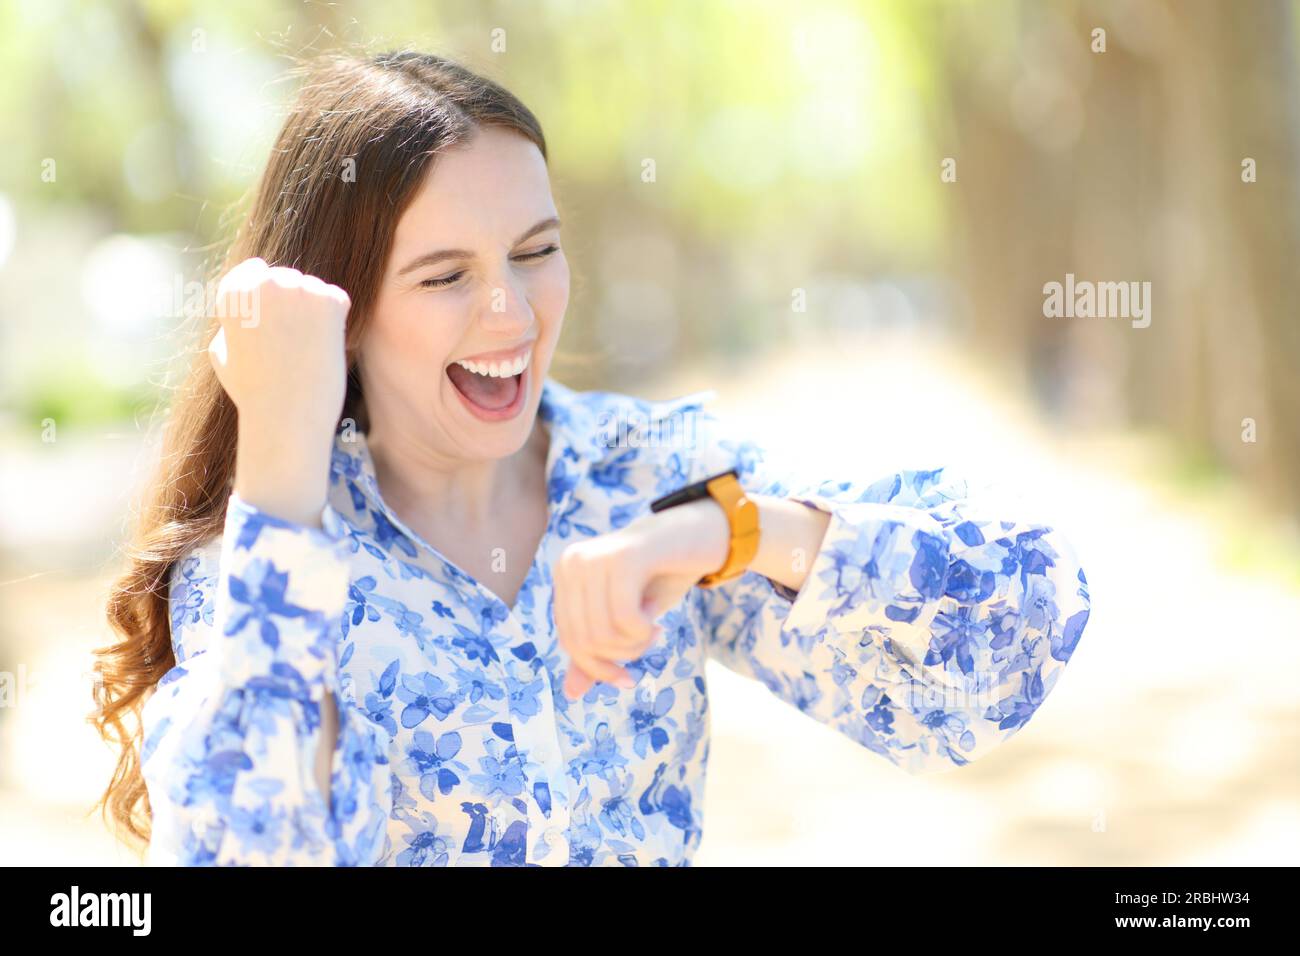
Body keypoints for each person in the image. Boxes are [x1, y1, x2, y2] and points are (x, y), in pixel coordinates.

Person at [94, 50, 1091, 866]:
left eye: (536, 250)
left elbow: (1014, 628)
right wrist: (278, 452)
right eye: (446, 275)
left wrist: (725, 529)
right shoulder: (273, 549)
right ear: (343, 314)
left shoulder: (642, 472)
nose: (513, 314)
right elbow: (237, 848)